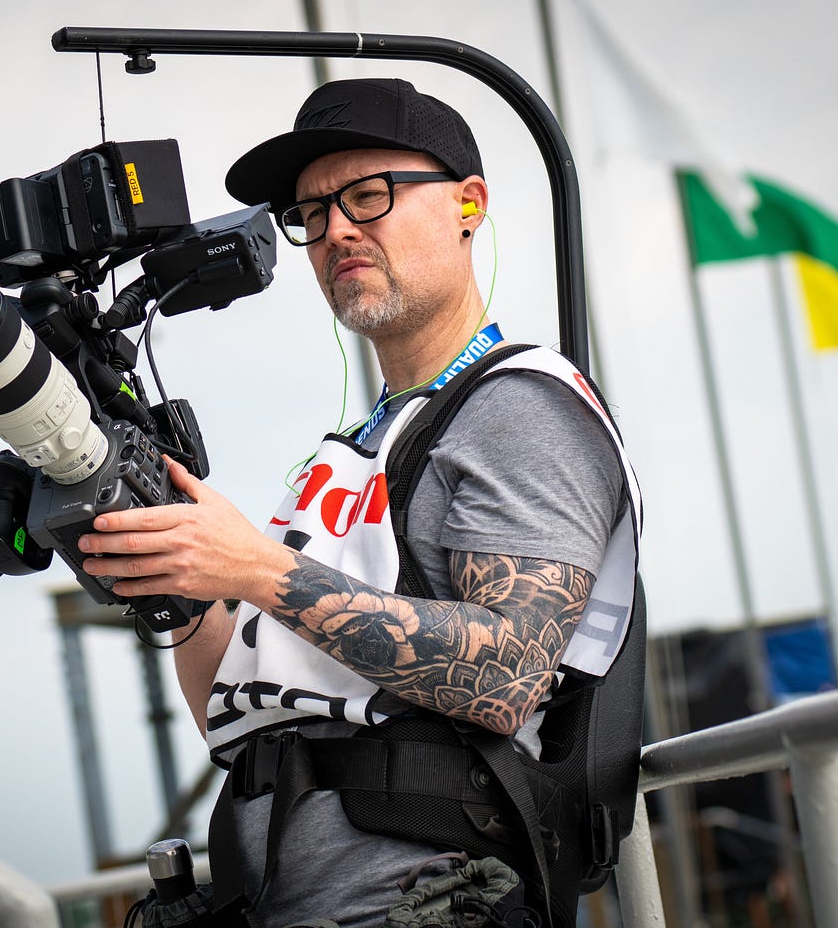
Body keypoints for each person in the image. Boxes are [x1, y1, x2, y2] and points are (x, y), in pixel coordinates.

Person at [76, 77, 641, 928]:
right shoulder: (353, 450)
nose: (336, 228)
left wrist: (258, 567)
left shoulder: (519, 406)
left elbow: (508, 673)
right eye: (311, 213)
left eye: (368, 195)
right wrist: (180, 583)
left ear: (467, 203)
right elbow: (244, 720)